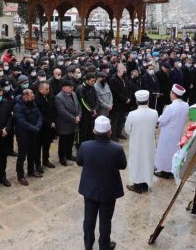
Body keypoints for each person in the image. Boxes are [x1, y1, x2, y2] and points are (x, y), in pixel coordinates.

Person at [77, 116, 126, 250]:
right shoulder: (117, 149)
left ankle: (88, 244)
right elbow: (123, 165)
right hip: (109, 190)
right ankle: (104, 245)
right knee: (105, 220)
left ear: (94, 130)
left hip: (90, 188)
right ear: (110, 131)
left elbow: (79, 162)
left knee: (89, 218)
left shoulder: (85, 146)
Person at [124, 90, 158, 194]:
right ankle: (145, 184)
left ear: (136, 101)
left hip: (137, 144)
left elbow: (127, 130)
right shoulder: (154, 113)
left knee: (137, 163)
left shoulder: (132, 114)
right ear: (148, 101)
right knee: (147, 162)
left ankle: (137, 186)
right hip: (149, 144)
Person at [154, 84, 189, 179]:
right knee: (174, 152)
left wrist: (157, 121)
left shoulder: (170, 107)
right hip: (178, 133)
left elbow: (162, 120)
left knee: (166, 152)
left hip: (168, 134)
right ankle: (172, 170)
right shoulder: (186, 105)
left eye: (170, 92)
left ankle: (165, 172)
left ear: (173, 94)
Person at [13, 89, 42, 186]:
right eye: (31, 96)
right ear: (25, 96)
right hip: (23, 135)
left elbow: (39, 115)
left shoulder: (32, 103)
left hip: (33, 133)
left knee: (32, 153)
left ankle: (31, 170)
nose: (33, 97)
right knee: (22, 155)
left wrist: (37, 126)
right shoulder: (18, 107)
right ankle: (20, 175)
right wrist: (35, 128)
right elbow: (22, 122)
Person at [55, 79, 81, 166]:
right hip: (65, 124)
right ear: (64, 87)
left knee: (71, 140)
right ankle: (62, 158)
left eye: (72, 87)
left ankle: (69, 155)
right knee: (63, 142)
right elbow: (62, 112)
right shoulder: (59, 97)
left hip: (74, 123)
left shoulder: (73, 94)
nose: (72, 88)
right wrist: (74, 118)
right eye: (70, 87)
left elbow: (78, 106)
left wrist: (79, 116)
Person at [34, 81, 56, 170]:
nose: (48, 91)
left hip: (50, 126)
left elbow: (53, 109)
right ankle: (38, 164)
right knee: (38, 146)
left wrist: (54, 121)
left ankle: (45, 160)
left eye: (49, 89)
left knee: (47, 144)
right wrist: (49, 122)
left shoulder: (50, 96)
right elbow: (39, 114)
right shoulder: (36, 99)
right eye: (46, 89)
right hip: (41, 126)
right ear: (40, 89)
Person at [108, 64, 130, 141]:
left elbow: (128, 88)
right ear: (119, 70)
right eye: (123, 70)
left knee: (122, 119)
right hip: (117, 103)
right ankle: (113, 135)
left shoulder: (124, 77)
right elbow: (116, 92)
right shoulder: (113, 79)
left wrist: (128, 97)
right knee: (115, 120)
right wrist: (125, 99)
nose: (125, 71)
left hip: (124, 103)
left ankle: (119, 133)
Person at [77, 73, 98, 144]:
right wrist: (91, 111)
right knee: (83, 131)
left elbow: (96, 98)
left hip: (92, 113)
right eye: (92, 81)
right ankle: (81, 146)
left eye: (94, 81)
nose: (93, 82)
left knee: (91, 130)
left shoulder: (92, 87)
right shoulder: (81, 88)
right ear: (87, 80)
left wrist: (95, 109)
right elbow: (83, 102)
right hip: (84, 114)